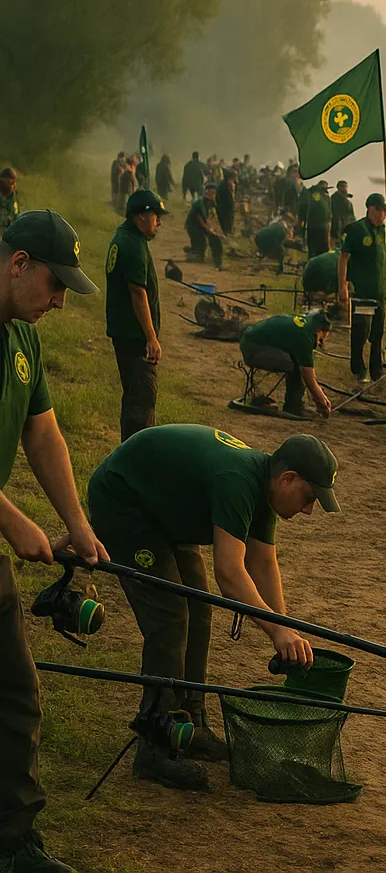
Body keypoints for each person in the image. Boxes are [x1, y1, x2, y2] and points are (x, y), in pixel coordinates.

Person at [87, 427, 337, 791]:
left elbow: (263, 562)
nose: (310, 509)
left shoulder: (263, 486)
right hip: (126, 504)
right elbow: (230, 573)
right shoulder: (237, 480)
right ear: (287, 479)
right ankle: (155, 743)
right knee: (171, 616)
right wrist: (276, 631)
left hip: (166, 511)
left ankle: (191, 721)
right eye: (310, 496)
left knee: (200, 609)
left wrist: (285, 630)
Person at [0, 210, 106, 873]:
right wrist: (13, 522)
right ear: (17, 265)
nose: (62, 299)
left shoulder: (22, 338)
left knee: (15, 693)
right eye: (55, 283)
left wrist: (77, 524)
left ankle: (14, 846)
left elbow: (43, 434)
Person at [106, 190, 168, 442]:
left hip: (125, 333)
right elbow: (137, 294)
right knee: (141, 404)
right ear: (141, 216)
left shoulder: (125, 236)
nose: (159, 222)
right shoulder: (132, 245)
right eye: (156, 215)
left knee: (133, 397)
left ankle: (129, 452)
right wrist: (151, 338)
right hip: (134, 337)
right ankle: (135, 457)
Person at [336, 193, 386, 384]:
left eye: (385, 213)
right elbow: (343, 257)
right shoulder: (357, 229)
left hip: (379, 290)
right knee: (362, 329)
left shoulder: (382, 231)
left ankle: (377, 369)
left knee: (378, 331)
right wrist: (342, 285)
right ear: (371, 209)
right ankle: (359, 368)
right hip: (363, 290)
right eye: (382, 211)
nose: (383, 216)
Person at [238, 312, 333, 417]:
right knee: (294, 364)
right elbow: (307, 373)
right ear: (319, 329)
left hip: (251, 340)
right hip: (253, 349)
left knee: (296, 360)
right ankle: (294, 406)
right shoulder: (306, 335)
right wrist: (320, 398)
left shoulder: (305, 322)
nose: (319, 343)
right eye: (320, 339)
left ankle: (294, 404)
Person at [185, 184, 223, 270]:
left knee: (215, 240)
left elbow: (213, 216)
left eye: (214, 193)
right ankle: (192, 251)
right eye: (210, 192)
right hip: (193, 226)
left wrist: (218, 231)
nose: (212, 195)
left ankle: (218, 262)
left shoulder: (213, 202)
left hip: (204, 223)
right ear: (206, 192)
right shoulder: (199, 204)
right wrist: (210, 230)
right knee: (201, 245)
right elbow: (200, 220)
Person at [303, 180, 331, 258]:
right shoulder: (312, 193)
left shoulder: (327, 198)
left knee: (323, 249)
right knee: (313, 248)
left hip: (324, 227)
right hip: (313, 226)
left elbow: (329, 213)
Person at [214, 168, 237, 238]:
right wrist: (232, 191)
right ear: (229, 178)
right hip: (224, 210)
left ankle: (226, 235)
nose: (234, 180)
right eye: (233, 178)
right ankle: (226, 236)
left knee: (228, 223)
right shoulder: (222, 187)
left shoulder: (229, 185)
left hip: (226, 210)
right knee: (226, 225)